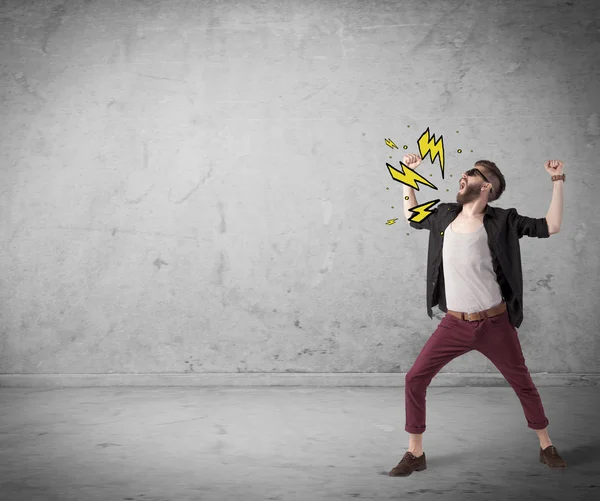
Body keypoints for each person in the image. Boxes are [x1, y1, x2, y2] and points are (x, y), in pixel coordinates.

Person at [389, 153, 567, 477]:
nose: (463, 174)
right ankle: (415, 452)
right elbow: (411, 215)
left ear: (485, 186)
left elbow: (551, 225)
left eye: (471, 173)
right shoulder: (443, 214)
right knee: (415, 378)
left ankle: (546, 445)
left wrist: (557, 180)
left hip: (495, 323)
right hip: (454, 324)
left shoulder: (504, 221)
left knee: (522, 383)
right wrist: (407, 175)